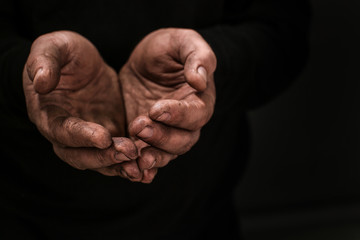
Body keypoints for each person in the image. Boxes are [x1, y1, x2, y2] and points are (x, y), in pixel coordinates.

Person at [0, 0, 310, 239]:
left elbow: (284, 32)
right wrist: (23, 75)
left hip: (201, 215)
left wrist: (207, 66)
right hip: (25, 214)